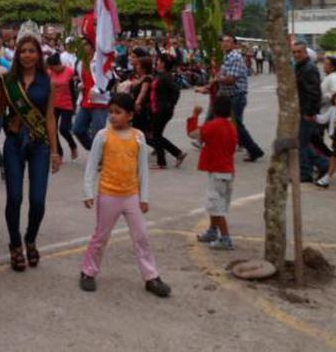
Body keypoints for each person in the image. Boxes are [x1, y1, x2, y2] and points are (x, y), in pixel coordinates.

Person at [79, 93, 170, 297]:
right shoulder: (102, 136)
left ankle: (151, 277)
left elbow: (143, 169)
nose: (113, 116)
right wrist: (88, 191)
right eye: (111, 112)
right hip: (109, 194)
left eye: (118, 112)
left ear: (130, 115)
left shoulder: (138, 137)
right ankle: (88, 272)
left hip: (131, 196)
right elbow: (92, 165)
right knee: (100, 237)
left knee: (142, 236)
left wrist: (144, 197)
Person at [0, 33, 61, 272]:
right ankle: (15, 244)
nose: (27, 55)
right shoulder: (8, 80)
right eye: (23, 51)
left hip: (40, 145)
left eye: (32, 51)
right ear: (17, 55)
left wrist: (55, 150)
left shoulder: (47, 81)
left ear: (39, 54)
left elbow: (50, 117)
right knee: (15, 197)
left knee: (38, 200)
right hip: (14, 143)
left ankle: (30, 238)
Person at [188, 95, 239, 250]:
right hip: (227, 170)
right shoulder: (232, 127)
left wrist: (195, 115)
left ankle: (225, 238)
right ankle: (212, 231)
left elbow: (192, 133)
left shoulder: (214, 125)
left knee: (217, 207)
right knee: (216, 204)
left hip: (217, 171)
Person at [213, 35, 264, 162]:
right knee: (231, 125)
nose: (225, 44)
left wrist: (217, 79)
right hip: (228, 96)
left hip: (236, 96)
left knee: (237, 126)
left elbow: (231, 79)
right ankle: (245, 148)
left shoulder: (235, 57)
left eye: (228, 41)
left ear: (235, 44)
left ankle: (254, 150)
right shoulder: (227, 56)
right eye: (223, 41)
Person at [293, 41, 330, 183]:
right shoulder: (300, 66)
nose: (296, 54)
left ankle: (307, 171)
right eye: (294, 52)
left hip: (307, 111)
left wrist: (309, 112)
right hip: (302, 109)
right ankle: (323, 164)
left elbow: (313, 93)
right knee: (304, 142)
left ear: (305, 52)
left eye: (299, 52)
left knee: (302, 142)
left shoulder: (309, 68)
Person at [149, 53, 187, 169]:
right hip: (158, 108)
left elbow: (176, 90)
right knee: (156, 135)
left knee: (156, 135)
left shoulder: (166, 77)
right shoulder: (161, 75)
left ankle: (162, 162)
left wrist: (170, 104)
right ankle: (177, 154)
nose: (156, 63)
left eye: (159, 61)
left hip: (162, 110)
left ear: (163, 64)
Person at [72, 39, 110, 151]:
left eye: (86, 45)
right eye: (82, 45)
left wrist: (98, 90)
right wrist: (80, 84)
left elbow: (110, 79)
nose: (83, 47)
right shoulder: (80, 62)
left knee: (97, 133)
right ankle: (96, 152)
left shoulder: (100, 61)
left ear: (93, 46)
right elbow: (81, 78)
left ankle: (99, 156)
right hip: (85, 102)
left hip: (99, 103)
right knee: (77, 129)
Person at [47, 53, 78, 160]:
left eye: (51, 67)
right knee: (52, 129)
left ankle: (73, 145)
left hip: (67, 104)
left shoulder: (70, 72)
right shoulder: (50, 73)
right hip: (54, 104)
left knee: (63, 129)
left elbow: (74, 90)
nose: (51, 69)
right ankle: (59, 153)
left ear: (57, 64)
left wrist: (74, 105)